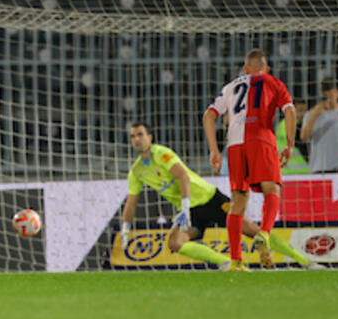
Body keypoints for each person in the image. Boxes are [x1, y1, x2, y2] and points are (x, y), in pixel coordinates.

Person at [121, 122, 315, 270]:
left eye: (140, 134)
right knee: (175, 242)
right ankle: (227, 263)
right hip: (190, 211)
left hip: (209, 199)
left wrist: (185, 207)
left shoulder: (161, 153)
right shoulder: (136, 171)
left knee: (252, 231)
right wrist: (125, 228)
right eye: (132, 136)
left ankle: (304, 261)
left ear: (150, 137)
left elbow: (182, 176)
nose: (136, 139)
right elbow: (131, 203)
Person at [203, 49, 297, 272]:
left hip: (234, 145)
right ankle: (264, 233)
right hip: (261, 139)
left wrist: (214, 150)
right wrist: (290, 144)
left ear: (245, 70)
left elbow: (209, 115)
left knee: (238, 200)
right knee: (272, 188)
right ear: (266, 69)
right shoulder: (273, 82)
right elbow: (290, 111)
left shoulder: (230, 87)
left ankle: (236, 261)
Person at [277, 96, 310, 174]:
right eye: (300, 110)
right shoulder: (286, 124)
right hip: (289, 171)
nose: (303, 114)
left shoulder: (300, 125)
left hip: (302, 171)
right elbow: (299, 142)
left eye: (305, 110)